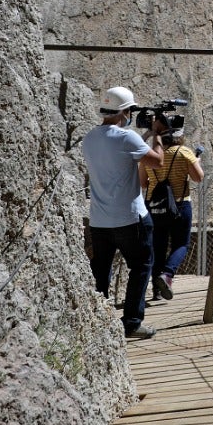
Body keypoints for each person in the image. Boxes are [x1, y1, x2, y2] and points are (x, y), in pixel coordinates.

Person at [82, 86, 165, 339]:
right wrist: (158, 135)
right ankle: (132, 322)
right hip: (130, 218)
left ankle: (98, 319)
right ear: (124, 112)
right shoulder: (127, 138)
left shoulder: (89, 138)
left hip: (99, 219)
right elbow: (157, 161)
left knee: (101, 270)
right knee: (141, 266)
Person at [142, 119, 203, 302]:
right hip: (179, 205)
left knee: (158, 247)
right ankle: (167, 275)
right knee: (181, 244)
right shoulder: (183, 152)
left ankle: (156, 291)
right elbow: (198, 177)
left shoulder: (150, 155)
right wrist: (195, 161)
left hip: (154, 207)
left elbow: (142, 183)